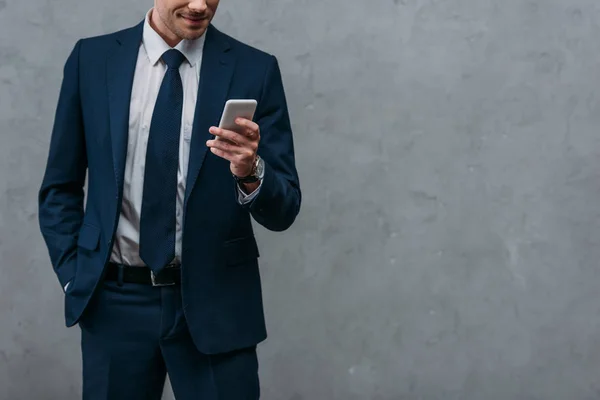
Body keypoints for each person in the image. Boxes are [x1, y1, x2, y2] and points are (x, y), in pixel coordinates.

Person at [37, 0, 301, 398]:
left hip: (217, 304)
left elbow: (285, 209)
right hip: (114, 304)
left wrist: (250, 172)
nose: (199, 5)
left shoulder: (254, 69)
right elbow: (59, 185)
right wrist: (76, 276)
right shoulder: (91, 60)